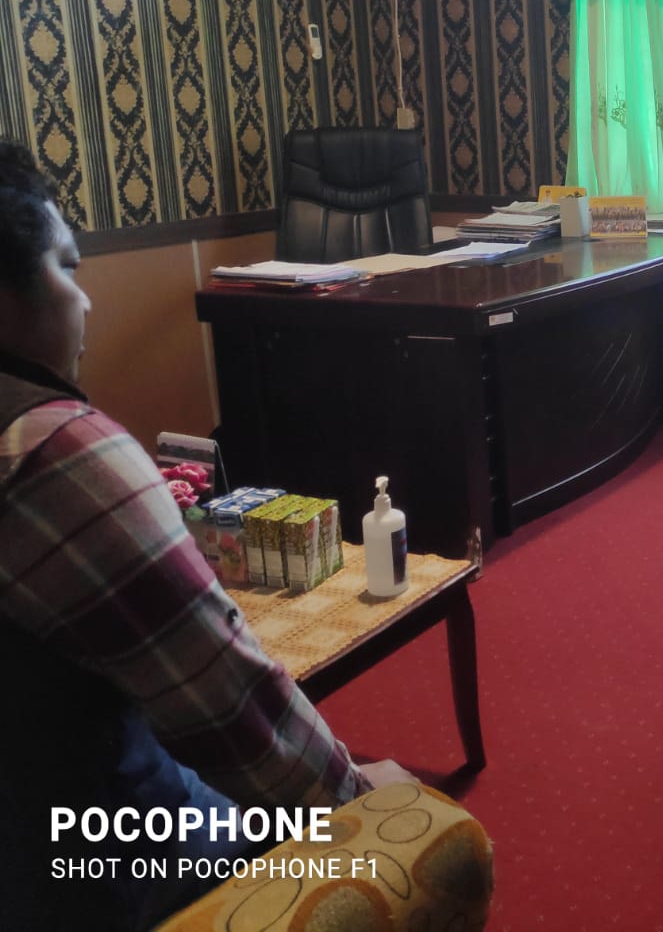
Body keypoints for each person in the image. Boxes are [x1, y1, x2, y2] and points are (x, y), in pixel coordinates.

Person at [0, 143, 411, 930]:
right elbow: (231, 708)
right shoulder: (52, 454)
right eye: (67, 267)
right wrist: (361, 805)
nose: (86, 301)